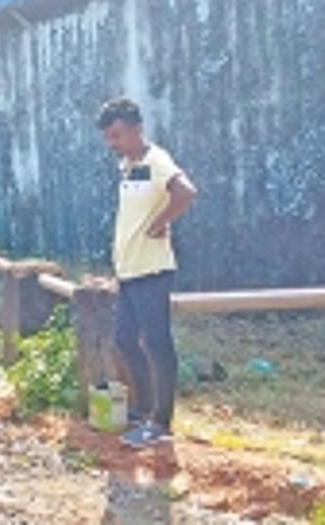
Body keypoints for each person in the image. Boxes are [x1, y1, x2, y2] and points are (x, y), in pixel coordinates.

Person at [97, 97, 197, 449]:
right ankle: (144, 408)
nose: (113, 144)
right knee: (125, 339)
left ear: (137, 129)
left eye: (118, 135)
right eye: (108, 137)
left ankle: (161, 420)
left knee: (157, 342)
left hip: (152, 270)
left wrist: (160, 223)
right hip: (130, 271)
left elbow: (185, 193)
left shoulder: (156, 160)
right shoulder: (129, 165)